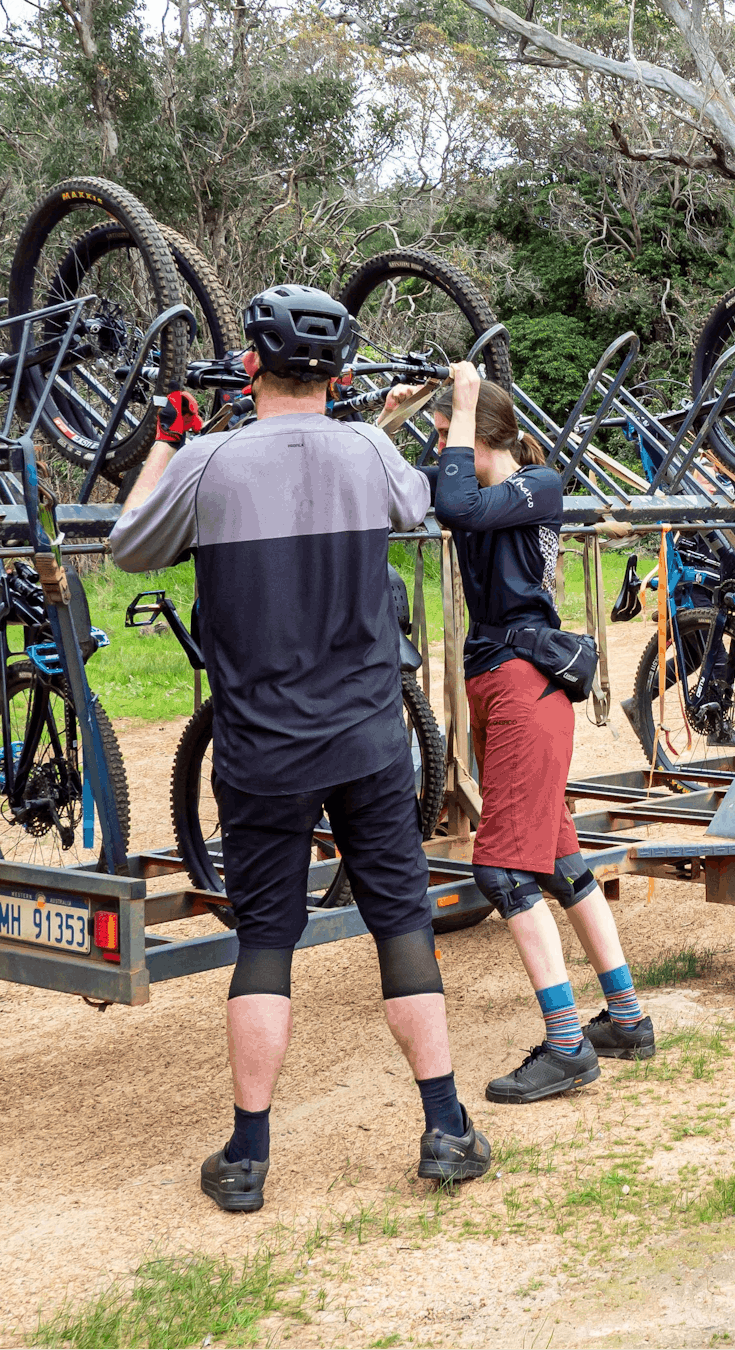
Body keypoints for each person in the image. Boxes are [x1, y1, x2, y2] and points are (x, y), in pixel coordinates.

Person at [110, 284, 489, 1212]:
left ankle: (246, 1157)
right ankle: (444, 1127)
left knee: (266, 944)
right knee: (402, 924)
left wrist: (167, 435)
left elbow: (126, 546)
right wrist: (410, 420)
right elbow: (417, 502)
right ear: (342, 374)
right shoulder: (366, 448)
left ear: (250, 368)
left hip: (259, 751)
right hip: (367, 738)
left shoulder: (207, 459)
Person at [410, 364, 655, 1104]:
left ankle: (567, 1044)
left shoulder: (537, 486)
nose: (441, 447)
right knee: (555, 856)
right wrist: (400, 414)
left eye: (451, 434)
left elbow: (453, 501)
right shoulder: (483, 489)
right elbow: (404, 482)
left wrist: (455, 401)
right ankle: (627, 1018)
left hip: (524, 687)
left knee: (503, 873)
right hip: (500, 685)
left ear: (483, 435)